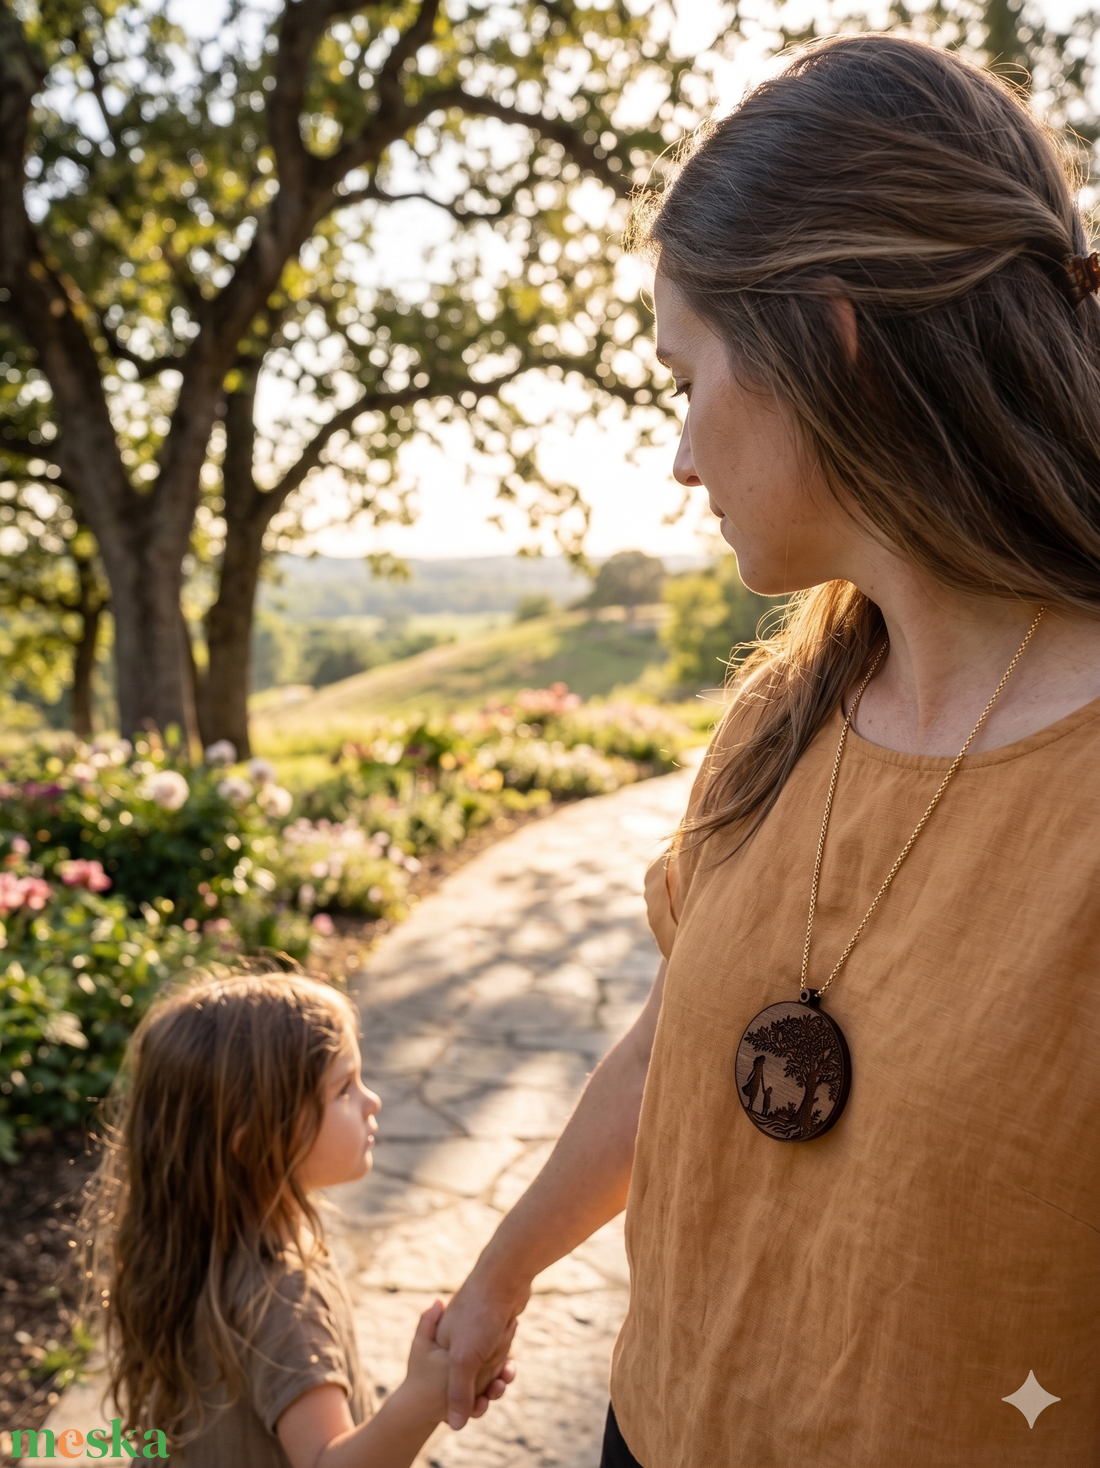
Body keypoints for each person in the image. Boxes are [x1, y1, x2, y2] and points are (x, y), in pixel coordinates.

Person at [434, 34, 1100, 1466]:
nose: (678, 454)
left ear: (829, 335)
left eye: (687, 374)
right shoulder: (780, 714)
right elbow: (684, 1030)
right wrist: (504, 1270)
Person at [82, 970, 510, 1465]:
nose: (372, 1100)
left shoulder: (183, 1245)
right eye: (344, 1088)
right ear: (255, 1141)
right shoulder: (283, 1299)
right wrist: (427, 1395)